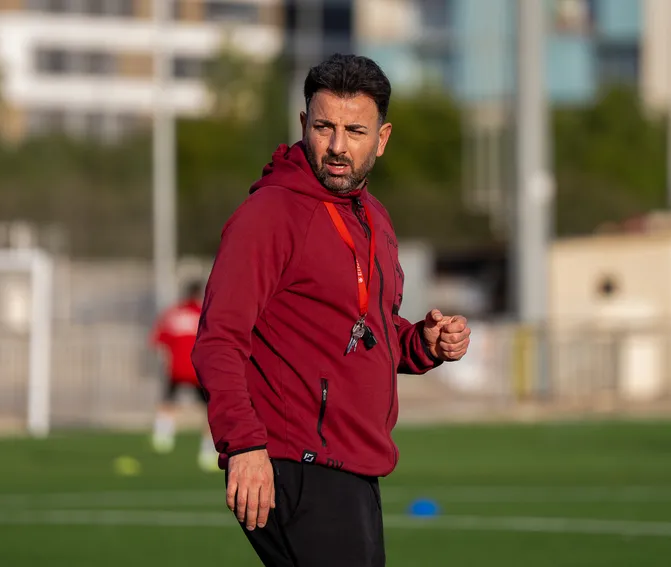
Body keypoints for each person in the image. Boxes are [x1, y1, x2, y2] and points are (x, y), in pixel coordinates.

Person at [191, 53, 471, 567]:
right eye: (324, 128)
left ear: (382, 138)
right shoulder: (270, 214)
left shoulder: (374, 216)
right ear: (303, 124)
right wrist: (245, 446)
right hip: (293, 462)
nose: (338, 146)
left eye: (355, 131)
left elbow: (364, 328)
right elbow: (218, 339)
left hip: (353, 462)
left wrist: (422, 344)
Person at [149, 279, 218, 472]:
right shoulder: (204, 313)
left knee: (167, 402)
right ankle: (207, 453)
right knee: (210, 410)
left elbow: (158, 340)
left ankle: (162, 439)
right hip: (198, 369)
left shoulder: (173, 313)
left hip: (176, 368)